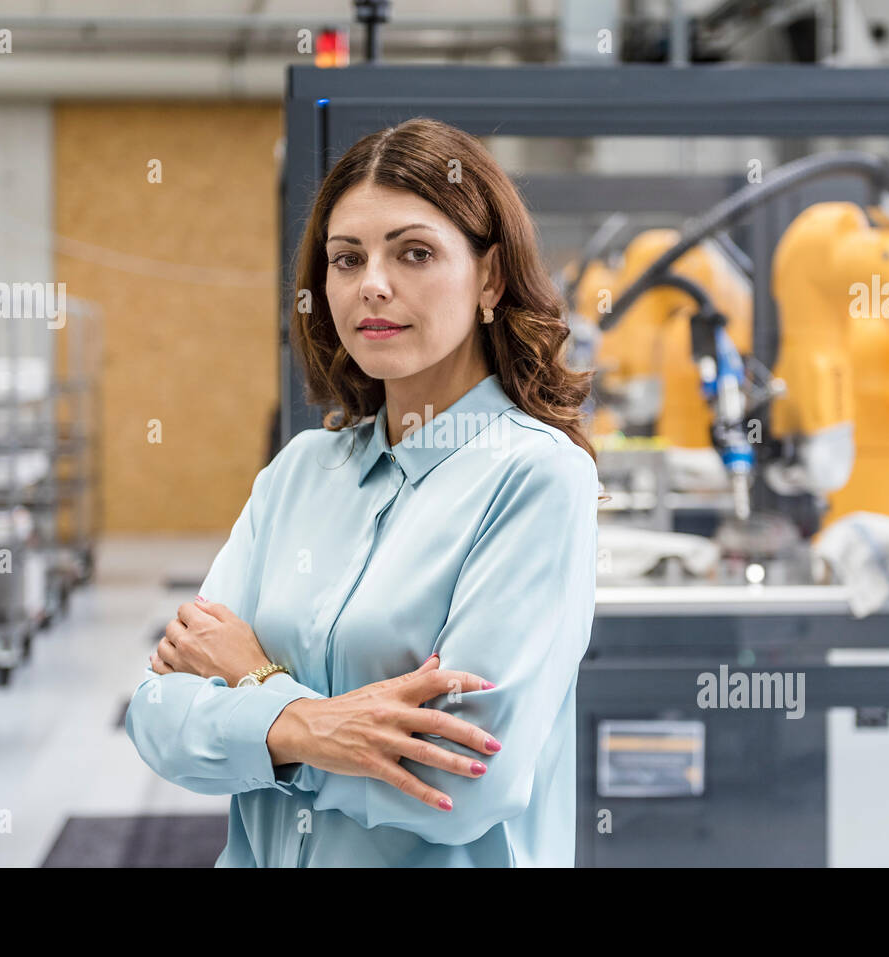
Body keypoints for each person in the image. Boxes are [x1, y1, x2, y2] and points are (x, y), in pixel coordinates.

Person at [125, 117, 602, 867]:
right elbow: (156, 716)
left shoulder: (535, 478)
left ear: (492, 278)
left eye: (414, 252)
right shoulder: (299, 473)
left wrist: (253, 690)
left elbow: (463, 784)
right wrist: (316, 726)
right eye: (346, 259)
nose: (372, 283)